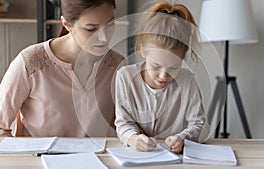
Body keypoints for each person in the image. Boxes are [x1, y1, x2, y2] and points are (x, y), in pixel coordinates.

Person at [0, 0, 123, 137]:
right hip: (38, 157)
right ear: (67, 24)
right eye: (91, 29)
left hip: (99, 157)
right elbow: (1, 127)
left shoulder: (117, 66)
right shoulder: (30, 63)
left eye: (110, 24)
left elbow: (127, 127)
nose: (104, 38)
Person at [114, 1, 209, 153]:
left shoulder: (187, 80)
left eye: (174, 67)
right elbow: (123, 123)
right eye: (156, 66)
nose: (164, 75)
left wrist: (183, 138)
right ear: (143, 50)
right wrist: (133, 139)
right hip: (136, 156)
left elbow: (199, 124)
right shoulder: (125, 77)